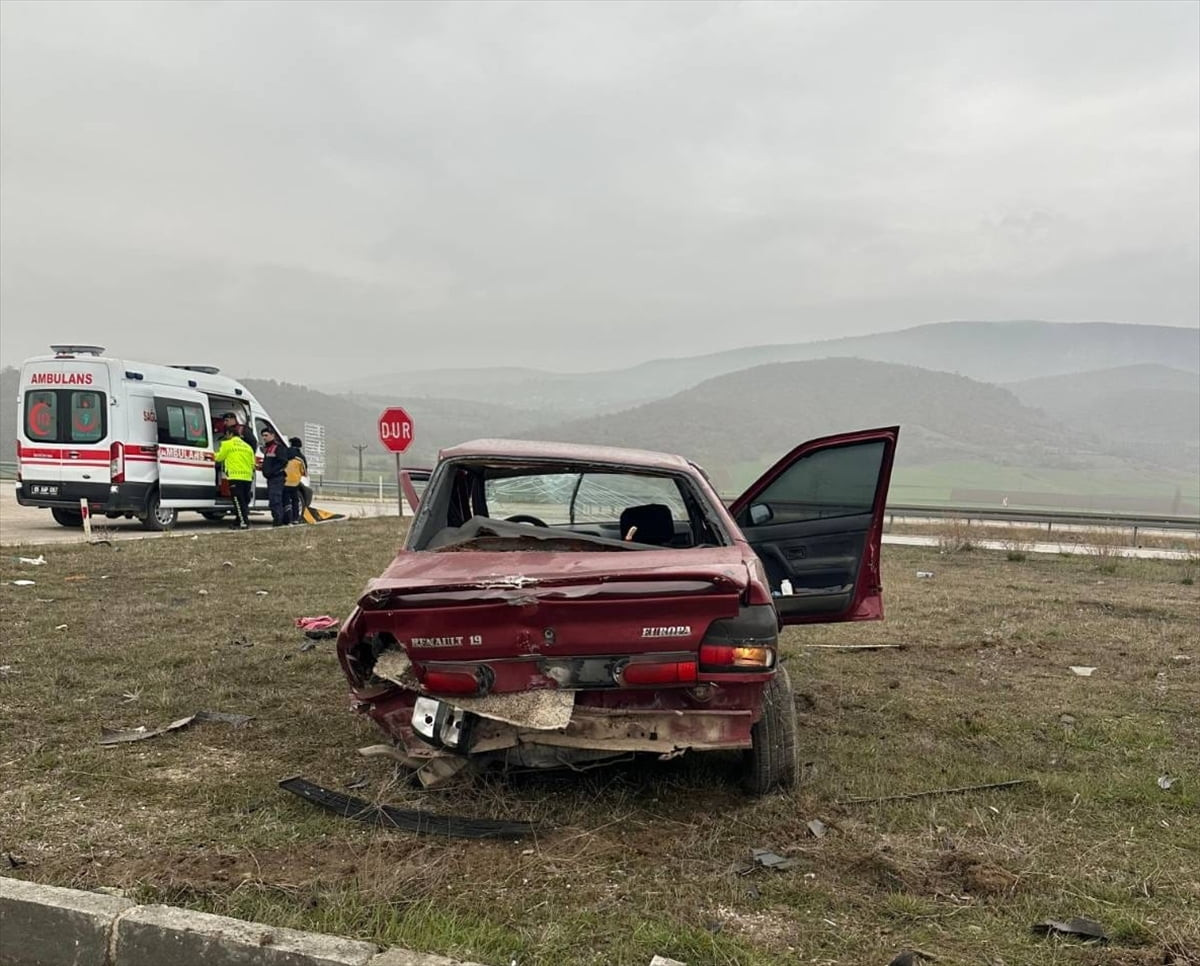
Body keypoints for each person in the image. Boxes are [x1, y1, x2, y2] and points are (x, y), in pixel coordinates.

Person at [212, 426, 255, 529]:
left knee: (237, 500)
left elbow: (219, 457)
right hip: (247, 477)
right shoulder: (247, 447)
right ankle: (239, 521)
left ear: (229, 434)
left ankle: (243, 522)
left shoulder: (227, 444)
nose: (226, 437)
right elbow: (253, 464)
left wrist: (210, 455)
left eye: (226, 435)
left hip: (235, 476)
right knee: (244, 501)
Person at [259, 426, 290, 525]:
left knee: (275, 500)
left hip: (277, 478)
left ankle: (278, 521)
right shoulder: (268, 448)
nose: (264, 438)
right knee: (273, 500)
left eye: (266, 435)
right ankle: (278, 519)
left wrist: (273, 471)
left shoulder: (278, 447)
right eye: (263, 436)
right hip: (271, 478)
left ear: (273, 435)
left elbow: (283, 462)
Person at [284, 437, 308, 526]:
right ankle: (295, 519)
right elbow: (304, 472)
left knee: (285, 500)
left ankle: (287, 518)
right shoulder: (301, 457)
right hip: (295, 483)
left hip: (284, 480)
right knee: (295, 500)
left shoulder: (284, 453)